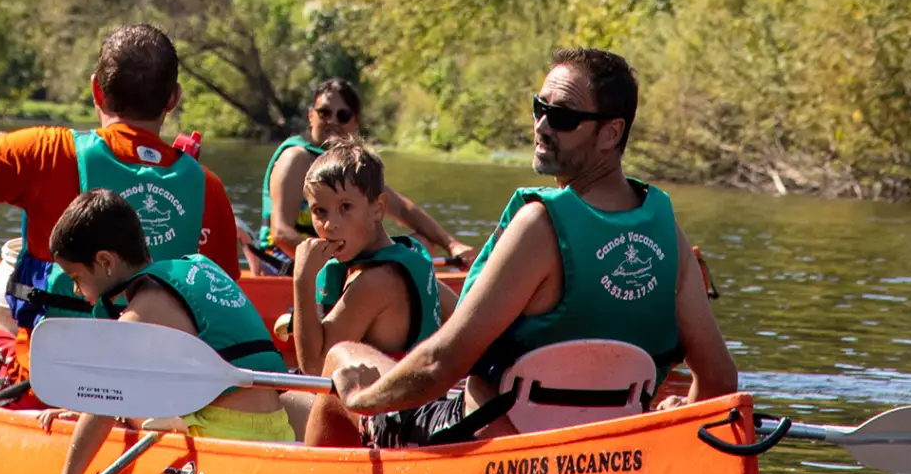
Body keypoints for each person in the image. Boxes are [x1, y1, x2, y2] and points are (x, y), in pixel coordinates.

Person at [340, 50, 737, 445]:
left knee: (342, 361)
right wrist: (673, 420)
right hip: (610, 452)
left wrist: (362, 400)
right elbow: (719, 380)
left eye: (563, 117)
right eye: (538, 108)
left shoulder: (539, 226)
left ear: (612, 133)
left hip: (500, 450)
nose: (542, 126)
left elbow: (440, 364)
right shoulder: (669, 235)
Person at [0, 22, 244, 408]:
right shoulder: (208, 187)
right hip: (152, 400)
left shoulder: (48, 151)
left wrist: (13, 144)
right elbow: (218, 313)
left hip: (45, 395)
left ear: (96, 90)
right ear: (173, 99)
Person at [35, 189, 299, 474]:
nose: (76, 290)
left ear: (105, 262)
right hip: (278, 427)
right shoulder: (198, 266)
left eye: (76, 277)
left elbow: (103, 403)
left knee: (112, 401)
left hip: (227, 435)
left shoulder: (143, 310)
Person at [291, 141, 442, 446]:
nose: (330, 225)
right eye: (320, 211)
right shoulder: (407, 257)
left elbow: (314, 370)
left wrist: (302, 282)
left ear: (378, 209)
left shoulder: (371, 282)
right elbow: (455, 307)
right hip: (411, 403)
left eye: (345, 208)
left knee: (278, 401)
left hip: (388, 419)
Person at [260, 79, 470, 266]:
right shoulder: (295, 158)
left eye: (343, 115)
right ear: (311, 115)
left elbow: (403, 209)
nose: (332, 121)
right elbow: (281, 234)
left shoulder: (345, 164)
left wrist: (452, 245)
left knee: (422, 243)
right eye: (324, 113)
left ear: (355, 122)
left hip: (336, 254)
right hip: (286, 260)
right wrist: (340, 267)